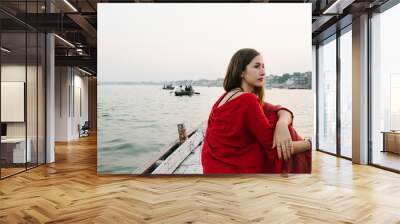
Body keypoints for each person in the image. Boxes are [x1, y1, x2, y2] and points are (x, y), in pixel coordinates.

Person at [201, 48, 311, 174]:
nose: (263, 72)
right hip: (231, 171)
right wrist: (309, 144)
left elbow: (276, 109)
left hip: (212, 167)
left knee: (274, 119)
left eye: (263, 67)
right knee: (278, 128)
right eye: (257, 66)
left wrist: (282, 124)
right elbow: (276, 149)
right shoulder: (247, 100)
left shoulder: (226, 97)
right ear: (241, 72)